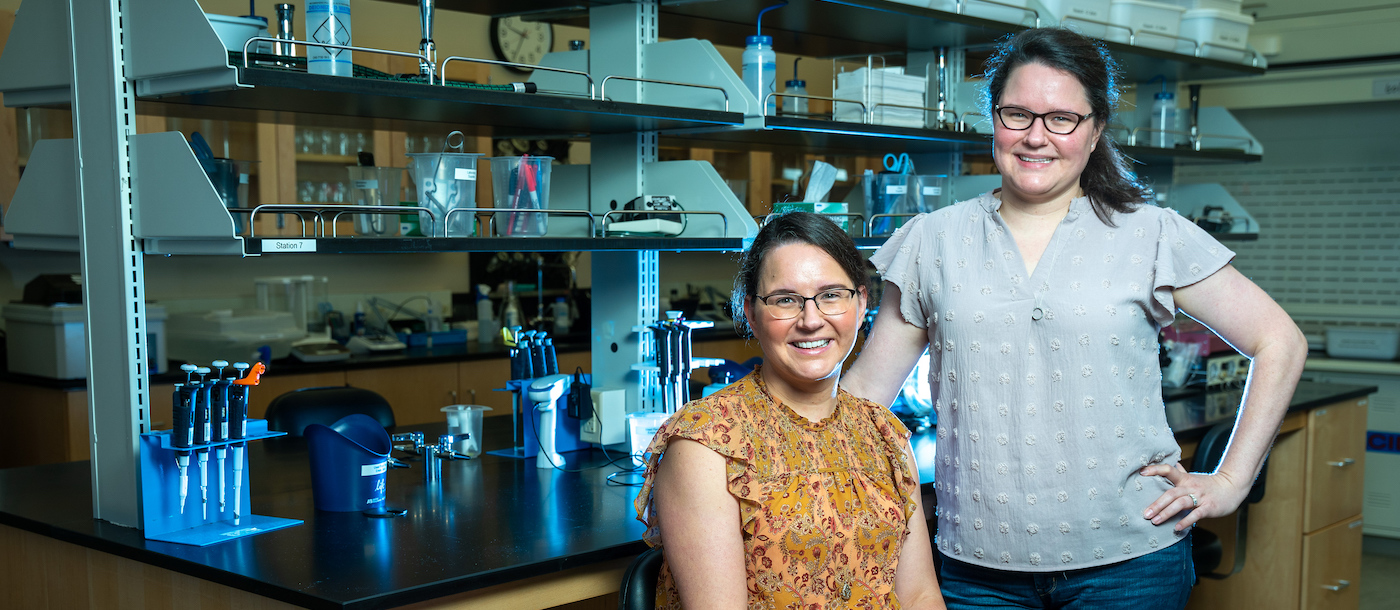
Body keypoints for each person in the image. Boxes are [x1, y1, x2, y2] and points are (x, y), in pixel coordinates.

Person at [842, 27, 1308, 609]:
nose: (1036, 136)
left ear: (1095, 131)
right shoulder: (933, 241)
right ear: (993, 120)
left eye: (1062, 118)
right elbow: (862, 398)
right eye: (1018, 114)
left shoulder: (1150, 234)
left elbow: (1279, 341)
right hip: (976, 571)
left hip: (1131, 565)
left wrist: (1232, 481)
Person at [634, 212, 946, 609]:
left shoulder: (884, 432)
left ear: (862, 301)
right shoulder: (706, 443)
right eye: (785, 300)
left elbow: (920, 596)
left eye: (831, 295)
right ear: (750, 312)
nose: (811, 320)